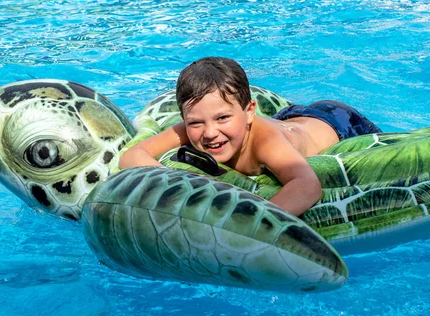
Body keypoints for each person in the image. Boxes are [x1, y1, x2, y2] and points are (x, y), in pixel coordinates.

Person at [119, 57, 382, 217]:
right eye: (196, 122)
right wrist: (176, 184)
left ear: (249, 112)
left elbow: (307, 186)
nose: (210, 133)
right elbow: (132, 156)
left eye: (222, 118)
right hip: (287, 118)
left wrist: (249, 222)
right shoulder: (192, 128)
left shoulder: (266, 142)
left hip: (337, 121)